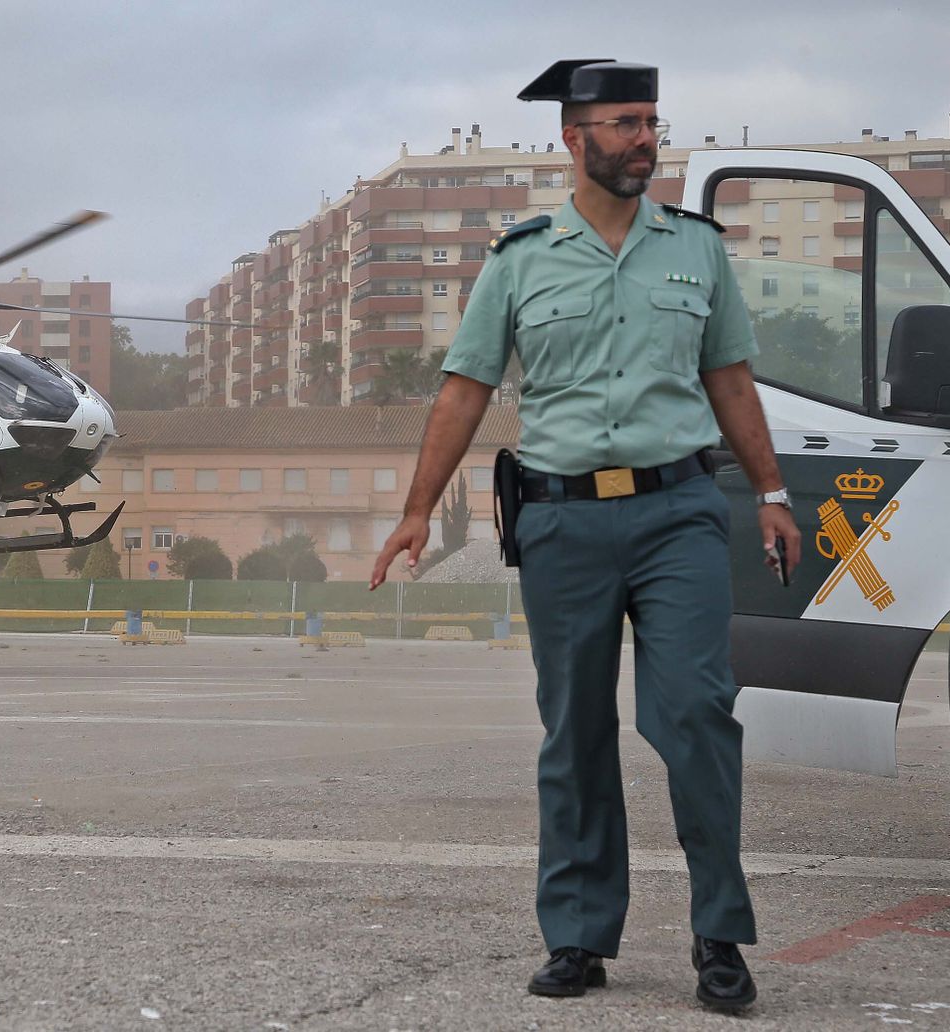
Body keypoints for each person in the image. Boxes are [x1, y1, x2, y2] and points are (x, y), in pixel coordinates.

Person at [369, 59, 801, 1014]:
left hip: (678, 513)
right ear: (575, 139)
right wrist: (416, 509)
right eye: (624, 123)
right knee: (575, 730)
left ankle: (719, 932)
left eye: (652, 122)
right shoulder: (520, 258)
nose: (645, 139)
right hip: (562, 519)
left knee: (696, 711)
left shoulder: (697, 250)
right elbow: (465, 390)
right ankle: (577, 934)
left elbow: (730, 378)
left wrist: (771, 491)